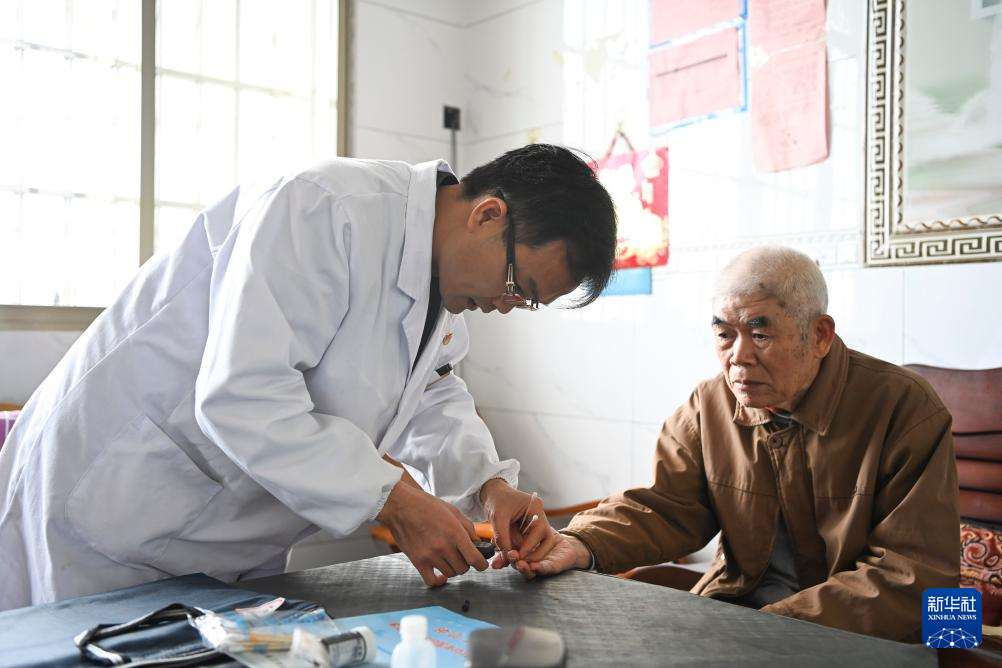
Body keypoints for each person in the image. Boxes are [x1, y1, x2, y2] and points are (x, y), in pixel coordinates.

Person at [0, 144, 617, 609]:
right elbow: (242, 394)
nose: (508, 306)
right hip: (116, 500)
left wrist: (489, 486)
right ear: (488, 214)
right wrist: (394, 499)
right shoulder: (325, 208)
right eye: (517, 286)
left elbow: (430, 393)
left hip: (219, 532)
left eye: (527, 303)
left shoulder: (443, 289)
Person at [507, 246, 960, 642]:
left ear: (820, 335)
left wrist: (772, 628)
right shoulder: (710, 405)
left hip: (856, 633)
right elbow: (667, 508)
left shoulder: (903, 407)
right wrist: (582, 543)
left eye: (760, 334)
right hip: (741, 615)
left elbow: (915, 577)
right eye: (725, 334)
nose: (738, 358)